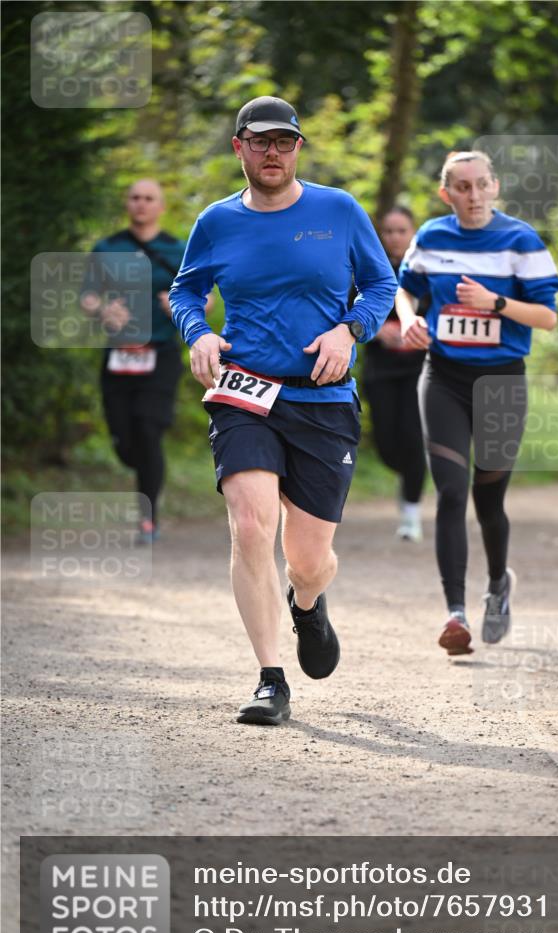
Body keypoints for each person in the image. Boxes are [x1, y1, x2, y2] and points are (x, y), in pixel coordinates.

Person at [169, 96, 397, 725]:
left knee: (308, 557)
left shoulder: (339, 210)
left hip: (322, 400)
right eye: (260, 141)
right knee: (250, 526)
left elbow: (382, 285)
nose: (273, 152)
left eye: (284, 142)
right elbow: (186, 288)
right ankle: (271, 678)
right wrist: (199, 334)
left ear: (298, 148)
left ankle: (307, 602)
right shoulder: (216, 221)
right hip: (246, 393)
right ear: (238, 147)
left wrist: (349, 331)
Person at [396, 150, 558, 655]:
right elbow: (403, 290)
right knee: (449, 490)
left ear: (494, 187)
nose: (471, 195)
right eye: (461, 187)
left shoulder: (521, 242)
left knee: (488, 500)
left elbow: (547, 318)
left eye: (480, 185)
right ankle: (455, 613)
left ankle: (496, 586)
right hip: (443, 377)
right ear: (447, 194)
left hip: (502, 382)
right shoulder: (431, 235)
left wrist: (495, 303)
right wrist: (407, 319)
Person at [81, 180, 211, 542]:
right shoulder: (107, 248)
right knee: (125, 441)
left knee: (148, 430)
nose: (141, 204)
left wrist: (183, 307)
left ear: (161, 206)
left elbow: (207, 300)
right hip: (117, 354)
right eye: (135, 198)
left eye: (148, 198)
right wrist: (103, 309)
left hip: (160, 354)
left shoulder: (178, 249)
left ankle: (148, 519)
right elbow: (87, 297)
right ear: (127, 203)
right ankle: (147, 472)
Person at [363, 207, 427, 542]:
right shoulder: (368, 270)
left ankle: (411, 514)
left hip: (421, 371)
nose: (395, 237)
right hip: (381, 369)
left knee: (414, 440)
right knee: (387, 445)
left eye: (402, 230)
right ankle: (411, 473)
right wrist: (376, 332)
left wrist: (420, 330)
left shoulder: (428, 270)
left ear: (413, 232)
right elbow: (346, 314)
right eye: (389, 231)